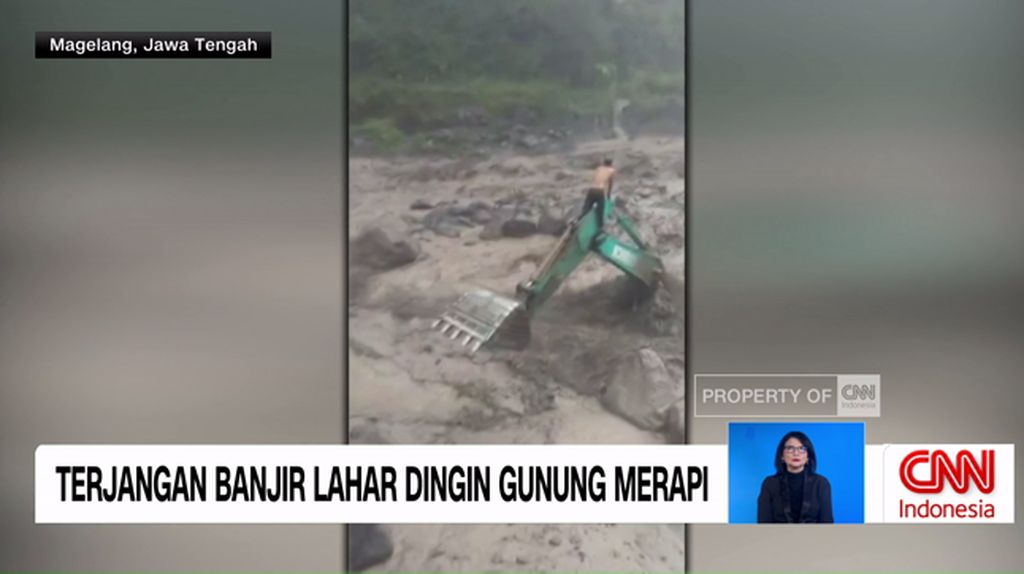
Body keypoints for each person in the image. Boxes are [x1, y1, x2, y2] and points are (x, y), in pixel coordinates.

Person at [757, 431, 834, 523]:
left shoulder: (821, 483)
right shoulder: (769, 483)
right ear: (782, 455)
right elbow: (763, 524)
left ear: (808, 456)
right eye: (790, 448)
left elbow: (827, 523)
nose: (796, 453)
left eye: (802, 448)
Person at [581, 158, 615, 231]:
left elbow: (594, 178)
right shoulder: (611, 170)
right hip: (600, 191)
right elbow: (610, 184)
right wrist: (608, 195)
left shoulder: (599, 168)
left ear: (603, 163)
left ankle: (578, 222)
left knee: (586, 209)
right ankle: (600, 228)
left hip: (591, 190)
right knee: (600, 211)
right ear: (611, 163)